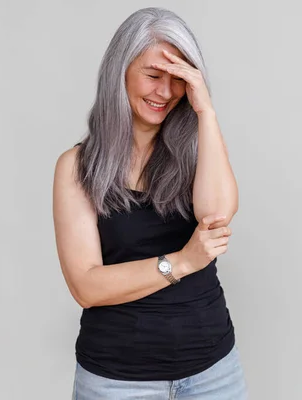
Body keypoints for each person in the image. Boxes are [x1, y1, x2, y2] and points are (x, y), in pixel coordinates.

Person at [53, 7, 248, 399]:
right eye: (153, 75)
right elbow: (86, 286)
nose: (165, 92)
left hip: (213, 373)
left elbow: (216, 217)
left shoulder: (197, 154)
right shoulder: (76, 167)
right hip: (116, 381)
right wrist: (183, 261)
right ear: (120, 70)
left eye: (178, 79)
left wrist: (205, 111)